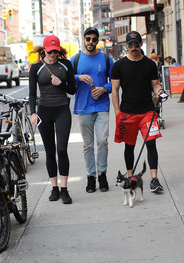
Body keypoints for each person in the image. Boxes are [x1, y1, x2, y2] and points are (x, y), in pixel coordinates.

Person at [111, 31, 166, 193]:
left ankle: (154, 180)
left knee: (151, 143)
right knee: (130, 146)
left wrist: (160, 90)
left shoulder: (150, 64)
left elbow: (155, 84)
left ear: (141, 44)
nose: (134, 47)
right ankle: (130, 177)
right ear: (126, 45)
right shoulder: (119, 66)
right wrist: (117, 112)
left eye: (136, 44)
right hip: (127, 113)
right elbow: (114, 89)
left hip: (147, 111)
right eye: (131, 45)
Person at [29, 35, 76, 204]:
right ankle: (54, 188)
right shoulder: (36, 68)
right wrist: (32, 113)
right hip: (44, 112)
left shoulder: (66, 65)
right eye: (50, 51)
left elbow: (73, 90)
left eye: (56, 51)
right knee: (49, 151)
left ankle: (64, 189)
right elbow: (32, 94)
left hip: (62, 109)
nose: (53, 54)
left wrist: (60, 84)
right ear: (44, 50)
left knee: (62, 150)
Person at [70, 27, 114, 193]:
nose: (90, 42)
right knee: (88, 145)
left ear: (98, 41)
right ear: (83, 39)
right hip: (83, 107)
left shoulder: (106, 59)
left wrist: (104, 88)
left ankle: (102, 174)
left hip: (102, 106)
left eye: (94, 39)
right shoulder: (75, 59)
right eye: (88, 39)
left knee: (102, 141)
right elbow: (65, 76)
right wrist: (78, 77)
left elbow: (116, 81)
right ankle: (91, 177)